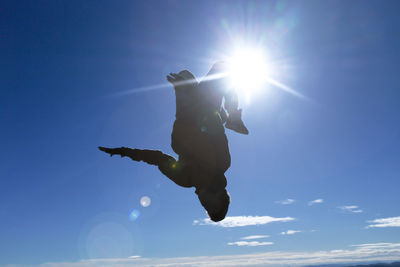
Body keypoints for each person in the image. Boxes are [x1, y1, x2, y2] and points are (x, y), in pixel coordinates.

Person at [99, 63, 248, 222]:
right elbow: (215, 130)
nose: (204, 204)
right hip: (202, 111)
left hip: (186, 117)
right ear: (219, 197)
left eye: (205, 208)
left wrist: (123, 151)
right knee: (220, 69)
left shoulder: (185, 178)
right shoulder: (222, 164)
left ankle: (225, 114)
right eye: (210, 206)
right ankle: (231, 117)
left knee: (185, 75)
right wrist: (201, 102)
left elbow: (157, 158)